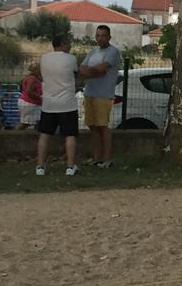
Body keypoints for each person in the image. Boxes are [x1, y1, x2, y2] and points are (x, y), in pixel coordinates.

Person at [35, 34, 80, 177]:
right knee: (70, 135)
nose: (70, 46)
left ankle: (40, 166)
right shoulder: (71, 59)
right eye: (68, 43)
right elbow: (76, 73)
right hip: (67, 103)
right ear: (62, 43)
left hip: (49, 103)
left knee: (45, 135)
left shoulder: (44, 58)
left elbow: (41, 74)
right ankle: (70, 166)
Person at [80, 25, 122, 168]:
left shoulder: (113, 52)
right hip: (90, 93)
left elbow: (102, 69)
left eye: (103, 35)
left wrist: (92, 71)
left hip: (103, 95)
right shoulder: (93, 52)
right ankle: (96, 157)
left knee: (103, 126)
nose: (100, 38)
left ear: (109, 37)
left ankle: (107, 159)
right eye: (98, 35)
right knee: (93, 126)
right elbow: (83, 68)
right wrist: (93, 72)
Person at [18, 61, 44, 129]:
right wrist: (40, 97)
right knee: (26, 123)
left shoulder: (31, 78)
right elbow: (29, 91)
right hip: (30, 103)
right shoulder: (32, 78)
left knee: (32, 122)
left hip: (30, 103)